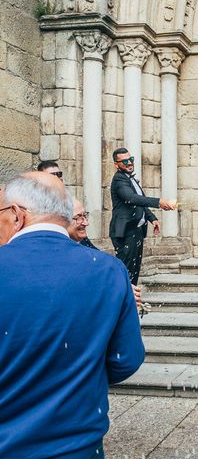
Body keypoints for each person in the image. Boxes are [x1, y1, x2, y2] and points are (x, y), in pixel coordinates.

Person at [0, 172, 145, 458]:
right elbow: (127, 359)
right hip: (78, 447)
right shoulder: (109, 270)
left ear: (17, 215)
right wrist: (78, 374)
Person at [109, 147, 175, 285]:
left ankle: (134, 302)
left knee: (134, 270)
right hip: (126, 231)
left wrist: (152, 218)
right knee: (126, 271)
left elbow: (140, 200)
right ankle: (124, 303)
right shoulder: (119, 180)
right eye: (125, 161)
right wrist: (159, 202)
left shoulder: (129, 178)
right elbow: (132, 198)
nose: (129, 163)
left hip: (136, 231)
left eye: (130, 159)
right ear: (116, 164)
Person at [69, 197, 142, 308]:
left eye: (85, 216)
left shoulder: (81, 240)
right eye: (79, 217)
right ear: (60, 220)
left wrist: (121, 283)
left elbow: (98, 258)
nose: (86, 223)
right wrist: (117, 289)